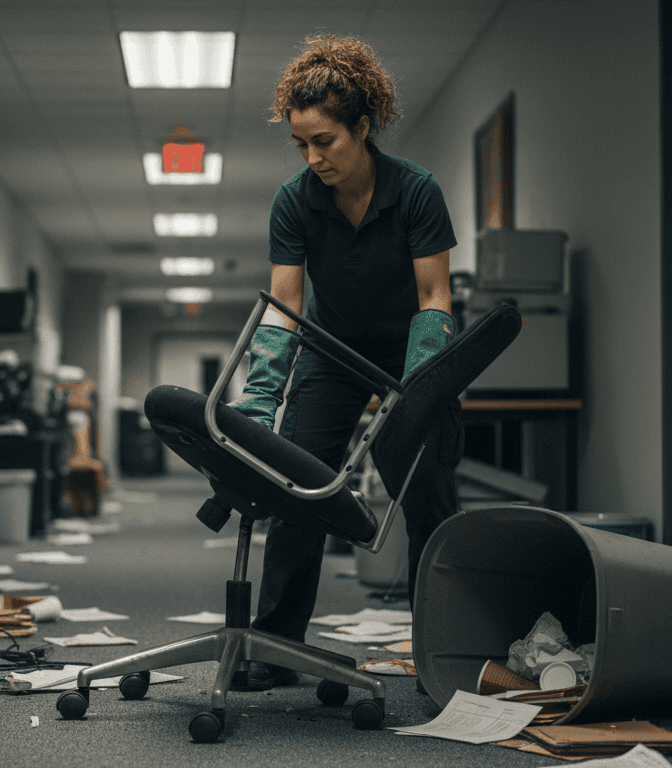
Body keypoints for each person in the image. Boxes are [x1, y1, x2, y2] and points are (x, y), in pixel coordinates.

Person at [229, 34, 462, 690]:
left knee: (428, 494)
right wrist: (257, 404)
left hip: (410, 352)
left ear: (362, 128)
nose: (312, 157)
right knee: (301, 485)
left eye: (324, 141)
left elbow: (434, 297)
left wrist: (417, 392)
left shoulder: (416, 192)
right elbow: (284, 306)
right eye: (301, 144)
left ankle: (439, 652)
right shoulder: (295, 201)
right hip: (331, 352)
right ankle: (275, 647)